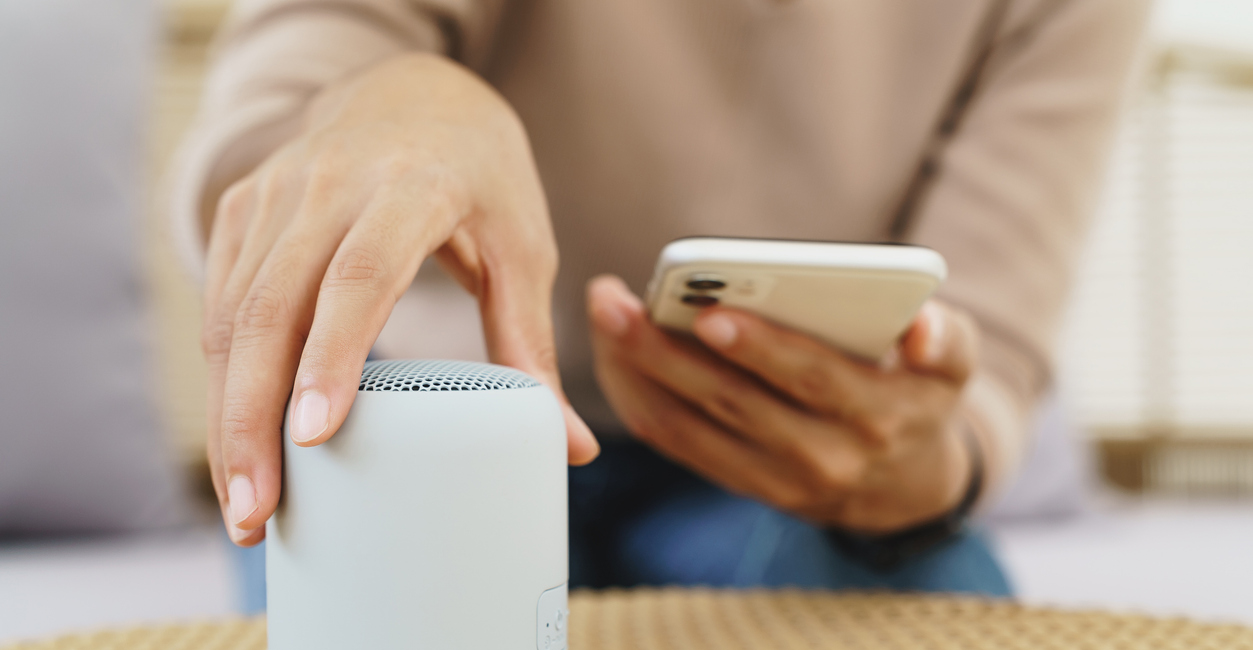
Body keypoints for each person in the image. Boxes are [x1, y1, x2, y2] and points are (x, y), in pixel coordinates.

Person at [174, 0, 1148, 599]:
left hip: (782, 466)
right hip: (428, 421)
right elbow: (252, 155)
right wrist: (382, 104)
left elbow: (990, 356)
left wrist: (914, 464)